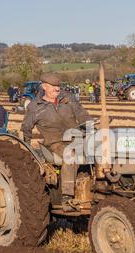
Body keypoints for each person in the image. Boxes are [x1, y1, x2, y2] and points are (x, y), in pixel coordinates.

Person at [21, 73, 93, 205]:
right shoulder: (34, 106)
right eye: (53, 86)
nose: (57, 89)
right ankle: (67, 195)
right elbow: (26, 128)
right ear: (44, 87)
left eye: (58, 86)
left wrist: (91, 127)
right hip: (55, 142)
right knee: (70, 155)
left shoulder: (68, 98)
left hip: (76, 137)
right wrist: (26, 149)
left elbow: (82, 114)